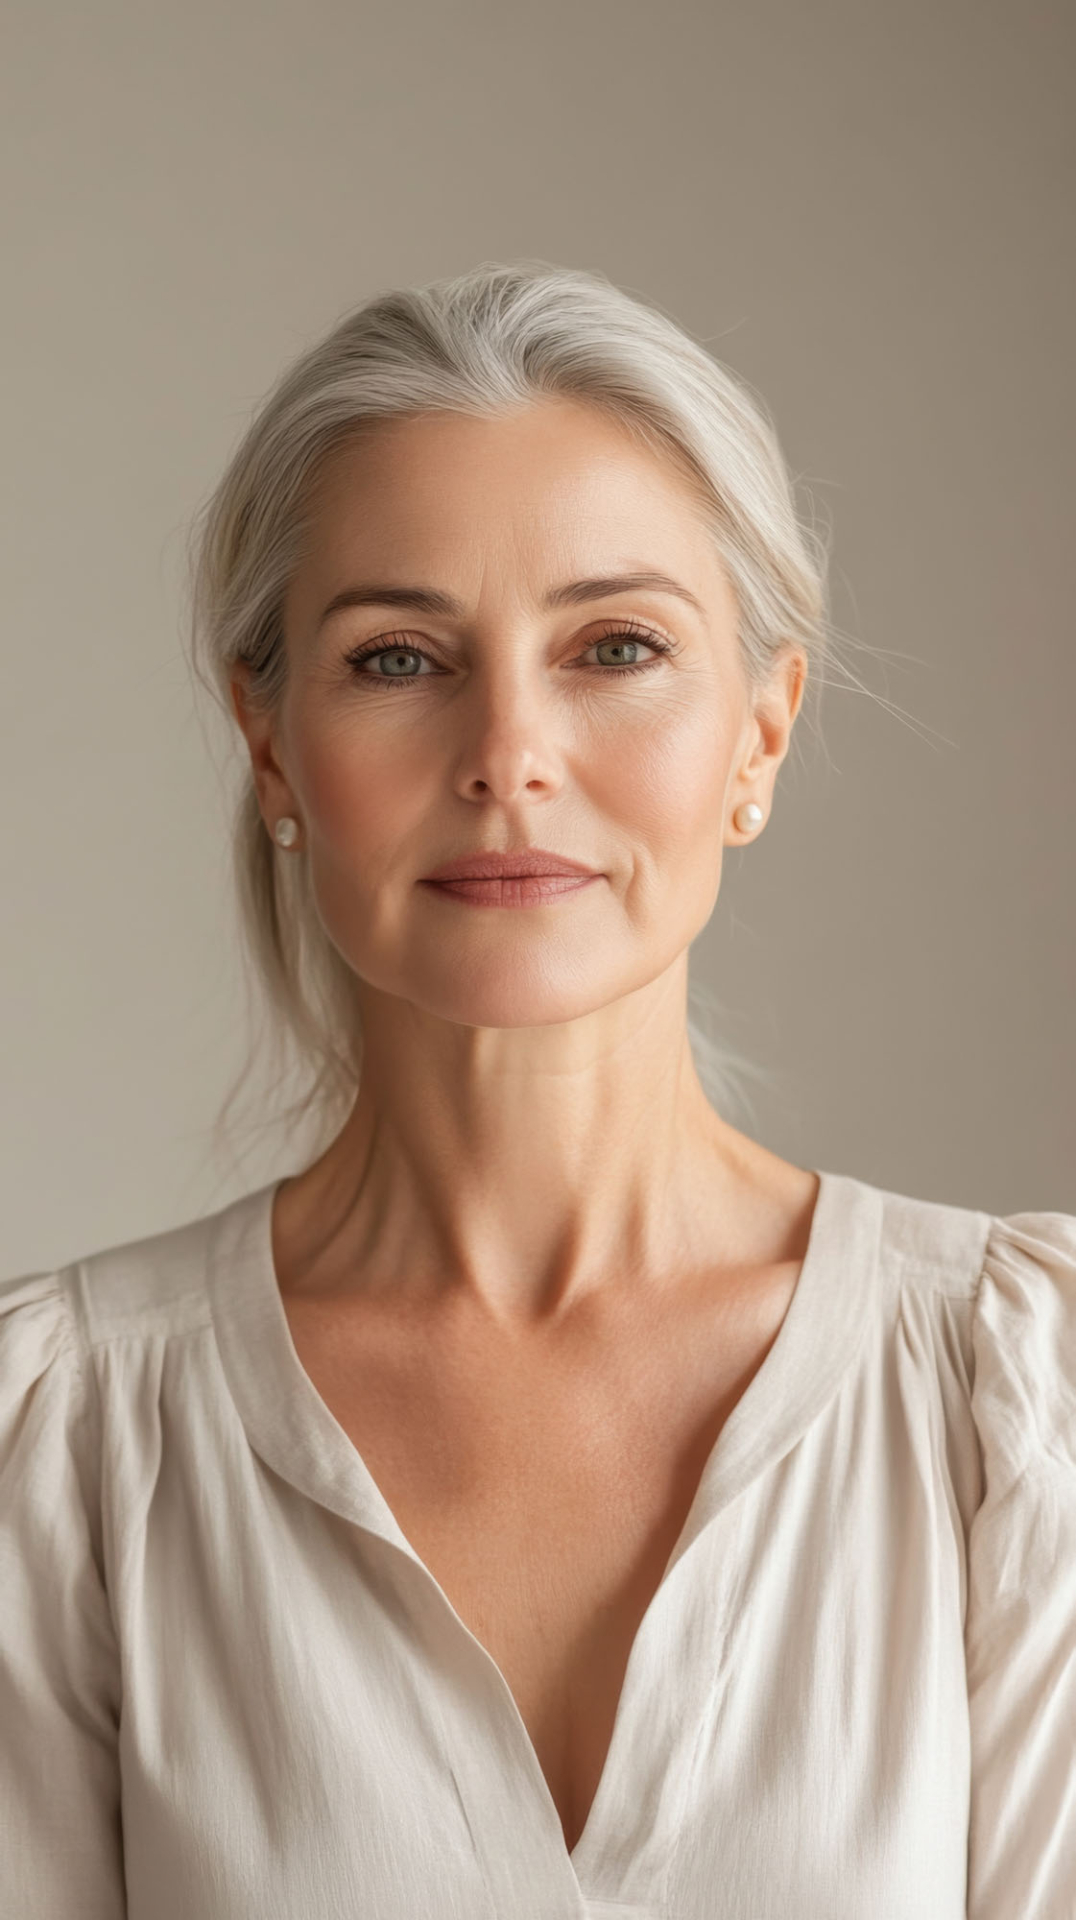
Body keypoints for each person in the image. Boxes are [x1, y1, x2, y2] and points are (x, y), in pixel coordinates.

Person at [1, 261, 1073, 1920]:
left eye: (617, 645)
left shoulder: (1021, 1410)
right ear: (272, 750)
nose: (509, 751)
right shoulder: (61, 1451)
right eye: (397, 659)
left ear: (759, 739)